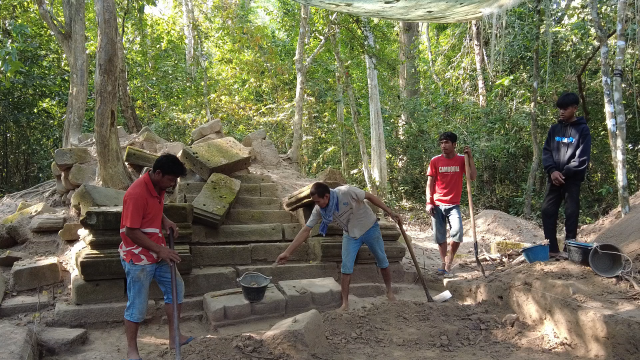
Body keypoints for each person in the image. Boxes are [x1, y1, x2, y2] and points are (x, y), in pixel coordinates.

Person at [276, 182, 401, 311]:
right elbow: (306, 230)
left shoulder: (346, 192)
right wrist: (288, 252)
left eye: (318, 201)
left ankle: (389, 291)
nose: (316, 204)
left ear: (326, 196)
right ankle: (345, 303)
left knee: (382, 261)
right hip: (350, 234)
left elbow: (369, 196)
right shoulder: (319, 209)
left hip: (370, 227)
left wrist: (390, 212)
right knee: (346, 268)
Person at [119, 154, 192, 360]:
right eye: (170, 180)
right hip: (138, 256)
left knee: (176, 289)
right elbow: (131, 231)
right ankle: (132, 350)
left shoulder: (158, 187)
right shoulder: (136, 194)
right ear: (158, 173)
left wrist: (165, 220)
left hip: (158, 250)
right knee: (138, 306)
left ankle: (174, 337)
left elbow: (153, 210)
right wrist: (161, 250)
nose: (172, 185)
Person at [541, 92, 591, 257]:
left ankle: (570, 248)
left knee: (571, 212)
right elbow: (547, 151)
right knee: (547, 210)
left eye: (565, 108)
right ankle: (551, 248)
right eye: (560, 109)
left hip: (572, 180)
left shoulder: (583, 130)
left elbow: (582, 158)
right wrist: (552, 171)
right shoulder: (554, 129)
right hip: (553, 178)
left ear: (575, 108)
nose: (561, 112)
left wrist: (564, 173)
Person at [425, 132, 477, 277]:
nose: (443, 146)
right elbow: (430, 183)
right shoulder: (435, 161)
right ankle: (444, 263)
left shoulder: (462, 159)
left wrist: (470, 157)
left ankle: (449, 260)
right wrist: (429, 202)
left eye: (447, 142)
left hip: (454, 204)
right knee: (440, 236)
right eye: (441, 143)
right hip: (437, 203)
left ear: (454, 145)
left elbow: (472, 177)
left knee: (458, 232)